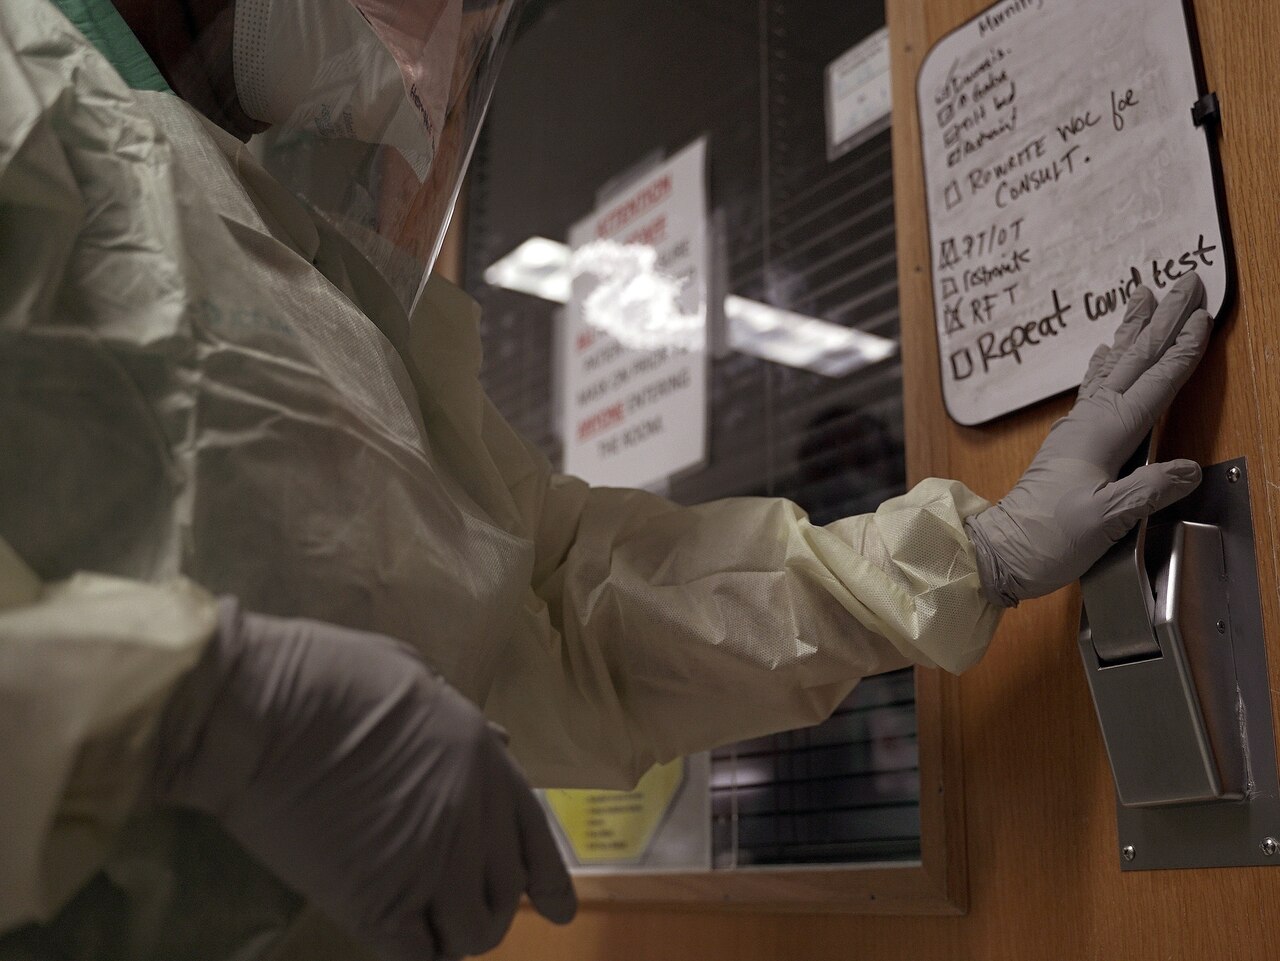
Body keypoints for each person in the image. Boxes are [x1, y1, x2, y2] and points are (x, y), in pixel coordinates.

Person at [0, 0, 1214, 958]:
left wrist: (966, 556)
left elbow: (564, 601)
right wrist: (191, 708)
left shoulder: (287, 248)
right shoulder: (24, 90)